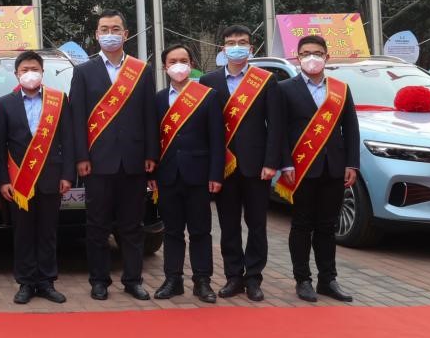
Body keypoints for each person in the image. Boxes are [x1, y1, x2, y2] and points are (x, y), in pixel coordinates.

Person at [70, 10, 157, 301]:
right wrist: (81, 157)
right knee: (97, 225)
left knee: (132, 225)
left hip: (134, 160)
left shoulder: (141, 70)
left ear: (125, 34)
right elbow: (77, 118)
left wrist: (151, 153)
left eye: (115, 29)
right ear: (97, 35)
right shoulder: (84, 71)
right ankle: (99, 280)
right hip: (97, 162)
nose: (110, 34)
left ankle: (133, 280)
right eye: (104, 29)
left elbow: (149, 115)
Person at [275, 34, 360, 303]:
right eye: (305, 53)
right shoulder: (284, 88)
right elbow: (279, 131)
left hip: (334, 168)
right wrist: (285, 163)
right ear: (297, 58)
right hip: (301, 167)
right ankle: (303, 280)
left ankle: (328, 280)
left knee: (327, 226)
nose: (312, 58)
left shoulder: (340, 89)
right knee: (302, 225)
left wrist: (352, 163)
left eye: (317, 53)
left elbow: (351, 128)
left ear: (327, 56)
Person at [200, 24, 281, 301]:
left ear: (251, 47)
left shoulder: (265, 80)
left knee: (257, 224)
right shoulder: (208, 81)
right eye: (231, 42)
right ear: (223, 48)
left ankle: (254, 278)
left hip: (257, 166)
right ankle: (233, 276)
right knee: (228, 225)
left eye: (242, 42)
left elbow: (275, 126)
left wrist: (271, 162)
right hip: (223, 165)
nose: (237, 46)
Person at [0, 50, 74, 305]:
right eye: (25, 70)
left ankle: (47, 282)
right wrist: (3, 180)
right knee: (23, 233)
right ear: (16, 74)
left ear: (42, 72)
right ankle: (26, 283)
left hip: (52, 177)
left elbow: (68, 140)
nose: (30, 74)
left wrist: (67, 175)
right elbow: (0, 147)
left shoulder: (58, 100)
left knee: (48, 232)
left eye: (34, 69)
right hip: (19, 180)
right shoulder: (4, 103)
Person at [151, 44, 224, 303]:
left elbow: (217, 139)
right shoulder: (159, 99)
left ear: (191, 64)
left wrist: (216, 174)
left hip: (199, 175)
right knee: (172, 231)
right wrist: (152, 173)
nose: (178, 65)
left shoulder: (208, 96)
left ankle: (202, 281)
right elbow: (154, 139)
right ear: (165, 67)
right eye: (173, 61)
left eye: (183, 60)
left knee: (200, 231)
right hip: (168, 175)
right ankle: (173, 280)